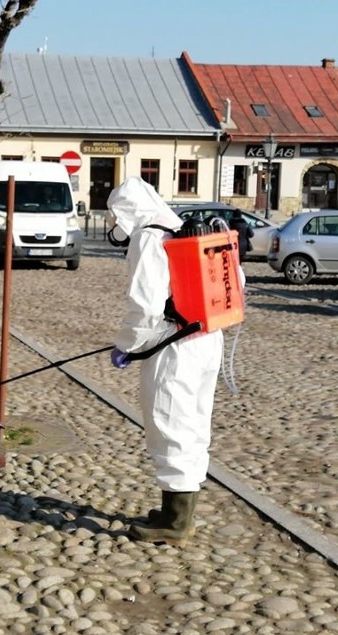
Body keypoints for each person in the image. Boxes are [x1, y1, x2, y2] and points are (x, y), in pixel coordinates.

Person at [107, 176, 224, 547]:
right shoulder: (182, 228)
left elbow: (143, 307)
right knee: (193, 423)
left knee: (170, 424)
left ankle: (176, 523)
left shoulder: (149, 236)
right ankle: (177, 508)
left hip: (175, 347)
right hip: (207, 337)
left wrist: (128, 345)